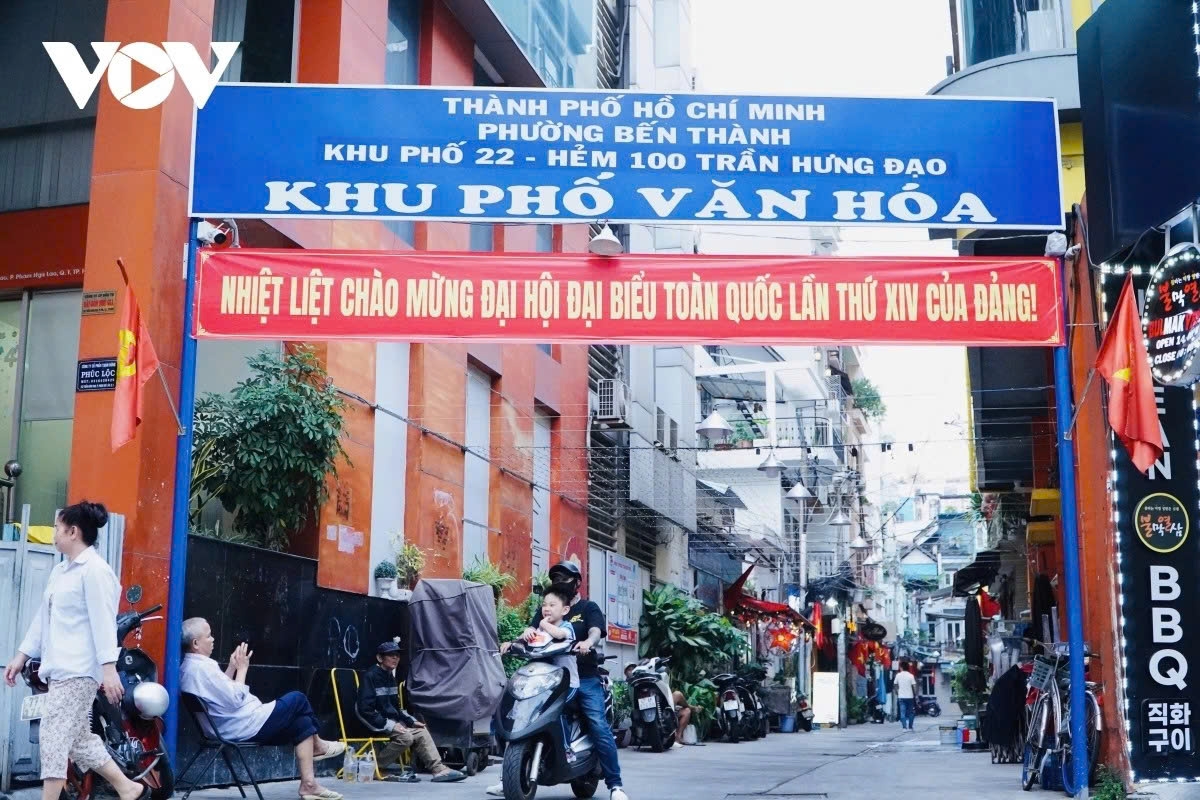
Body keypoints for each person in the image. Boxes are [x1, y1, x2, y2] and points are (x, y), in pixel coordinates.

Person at [4, 502, 152, 800]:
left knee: (53, 738)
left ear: (73, 532)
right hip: (60, 670)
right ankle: (129, 788)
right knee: (78, 739)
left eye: (57, 528)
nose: (54, 534)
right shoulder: (61, 571)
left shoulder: (96, 571)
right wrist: (21, 656)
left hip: (79, 670)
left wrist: (108, 670)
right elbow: (42, 619)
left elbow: (103, 623)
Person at [490, 561, 628, 800]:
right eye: (555, 578)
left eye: (564, 578)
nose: (559, 582)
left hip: (582, 678)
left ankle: (615, 785)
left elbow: (595, 631)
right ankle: (508, 778)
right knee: (515, 714)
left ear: (577, 582)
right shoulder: (547, 609)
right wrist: (514, 643)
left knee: (597, 724)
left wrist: (588, 643)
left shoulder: (587, 608)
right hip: (547, 675)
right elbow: (531, 634)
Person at [179, 617, 346, 800]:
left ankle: (309, 784)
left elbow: (221, 694)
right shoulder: (201, 669)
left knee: (302, 723)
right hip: (242, 726)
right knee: (298, 699)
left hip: (233, 724)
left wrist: (232, 667)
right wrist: (242, 669)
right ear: (196, 644)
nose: (213, 639)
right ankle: (318, 745)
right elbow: (235, 699)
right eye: (208, 636)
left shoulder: (193, 667)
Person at [356, 640, 465, 783]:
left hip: (391, 723)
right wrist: (391, 725)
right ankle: (374, 766)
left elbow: (396, 708)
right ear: (380, 658)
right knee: (406, 737)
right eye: (391, 655)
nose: (395, 658)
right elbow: (365, 710)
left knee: (421, 731)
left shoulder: (390, 677)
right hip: (374, 724)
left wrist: (412, 722)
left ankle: (439, 770)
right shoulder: (370, 676)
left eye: (397, 655)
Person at [894, 660, 918, 731]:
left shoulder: (898, 675)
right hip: (910, 697)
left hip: (901, 697)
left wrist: (897, 692)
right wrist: (915, 694)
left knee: (902, 712)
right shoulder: (911, 676)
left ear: (901, 667)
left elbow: (895, 685)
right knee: (911, 712)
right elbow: (914, 686)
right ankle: (910, 727)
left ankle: (904, 728)